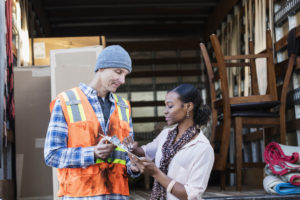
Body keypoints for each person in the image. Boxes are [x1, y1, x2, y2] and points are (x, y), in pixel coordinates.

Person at [44, 45, 139, 199]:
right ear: (101, 68)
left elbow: (126, 156)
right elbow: (52, 155)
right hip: (80, 196)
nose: (122, 80)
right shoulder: (67, 101)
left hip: (117, 196)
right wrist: (92, 153)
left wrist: (134, 167)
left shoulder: (123, 107)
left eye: (125, 75)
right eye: (118, 72)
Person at [124, 84, 214, 200]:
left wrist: (156, 173)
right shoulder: (166, 134)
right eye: (165, 106)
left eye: (170, 106)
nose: (165, 112)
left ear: (188, 107)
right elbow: (145, 152)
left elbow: (191, 195)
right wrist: (133, 148)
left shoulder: (202, 148)